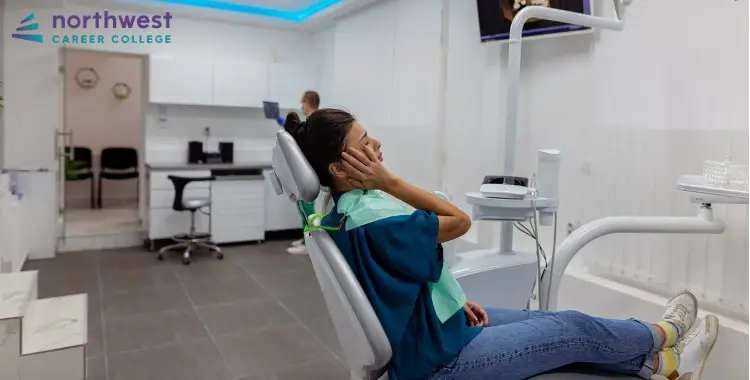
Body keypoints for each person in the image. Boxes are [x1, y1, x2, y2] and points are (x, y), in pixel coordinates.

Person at [283, 108, 720, 380]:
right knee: (569, 331)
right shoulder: (372, 215)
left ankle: (665, 366)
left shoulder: (341, 215)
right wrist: (390, 180)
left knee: (557, 327)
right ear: (341, 169)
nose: (376, 144)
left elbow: (398, 280)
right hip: (440, 363)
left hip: (433, 333)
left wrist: (454, 301)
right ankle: (667, 334)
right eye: (365, 144)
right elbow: (458, 220)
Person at [275, 90, 321, 254]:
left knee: (307, 209)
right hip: (305, 171)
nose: (300, 105)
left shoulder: (315, 121)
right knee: (303, 208)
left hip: (308, 173)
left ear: (307, 102)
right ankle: (306, 239)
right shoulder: (311, 121)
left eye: (302, 102)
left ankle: (311, 243)